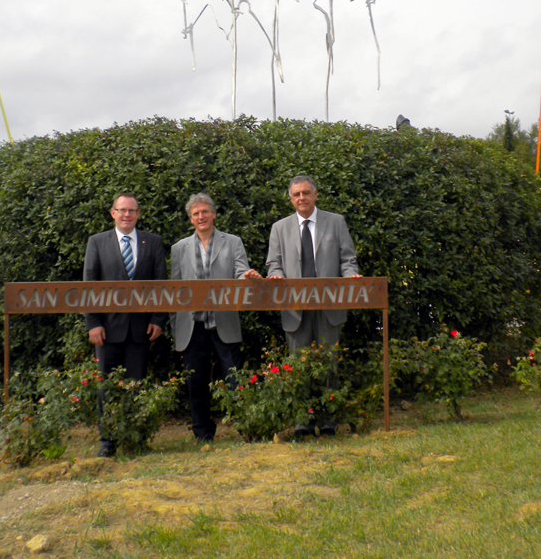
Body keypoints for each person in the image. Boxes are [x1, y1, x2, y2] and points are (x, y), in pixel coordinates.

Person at [266, 175, 361, 436]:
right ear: (290, 198)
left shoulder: (336, 222)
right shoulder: (280, 228)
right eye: (296, 194)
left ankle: (328, 420)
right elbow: (273, 263)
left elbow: (348, 258)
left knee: (329, 362)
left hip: (329, 305)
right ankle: (302, 420)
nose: (301, 198)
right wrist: (276, 275)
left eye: (306, 193)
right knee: (299, 363)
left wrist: (350, 275)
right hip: (295, 307)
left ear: (315, 194)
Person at [170, 193, 261, 441]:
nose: (201, 217)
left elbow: (241, 272)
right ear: (191, 219)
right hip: (192, 325)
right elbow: (175, 291)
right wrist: (175, 327)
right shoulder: (179, 248)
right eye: (196, 214)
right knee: (196, 383)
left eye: (205, 212)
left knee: (234, 379)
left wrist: (247, 277)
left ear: (214, 214)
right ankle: (202, 434)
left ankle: (246, 428)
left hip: (224, 322)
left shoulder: (233, 242)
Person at [83, 193, 167, 456]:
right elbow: (90, 286)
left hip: (141, 329)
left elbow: (160, 285)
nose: (127, 215)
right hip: (106, 330)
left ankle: (137, 438)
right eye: (122, 210)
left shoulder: (152, 242)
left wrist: (157, 319)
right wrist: (92, 323)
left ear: (138, 214)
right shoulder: (97, 242)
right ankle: (107, 441)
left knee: (137, 386)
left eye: (132, 211)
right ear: (113, 213)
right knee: (105, 388)